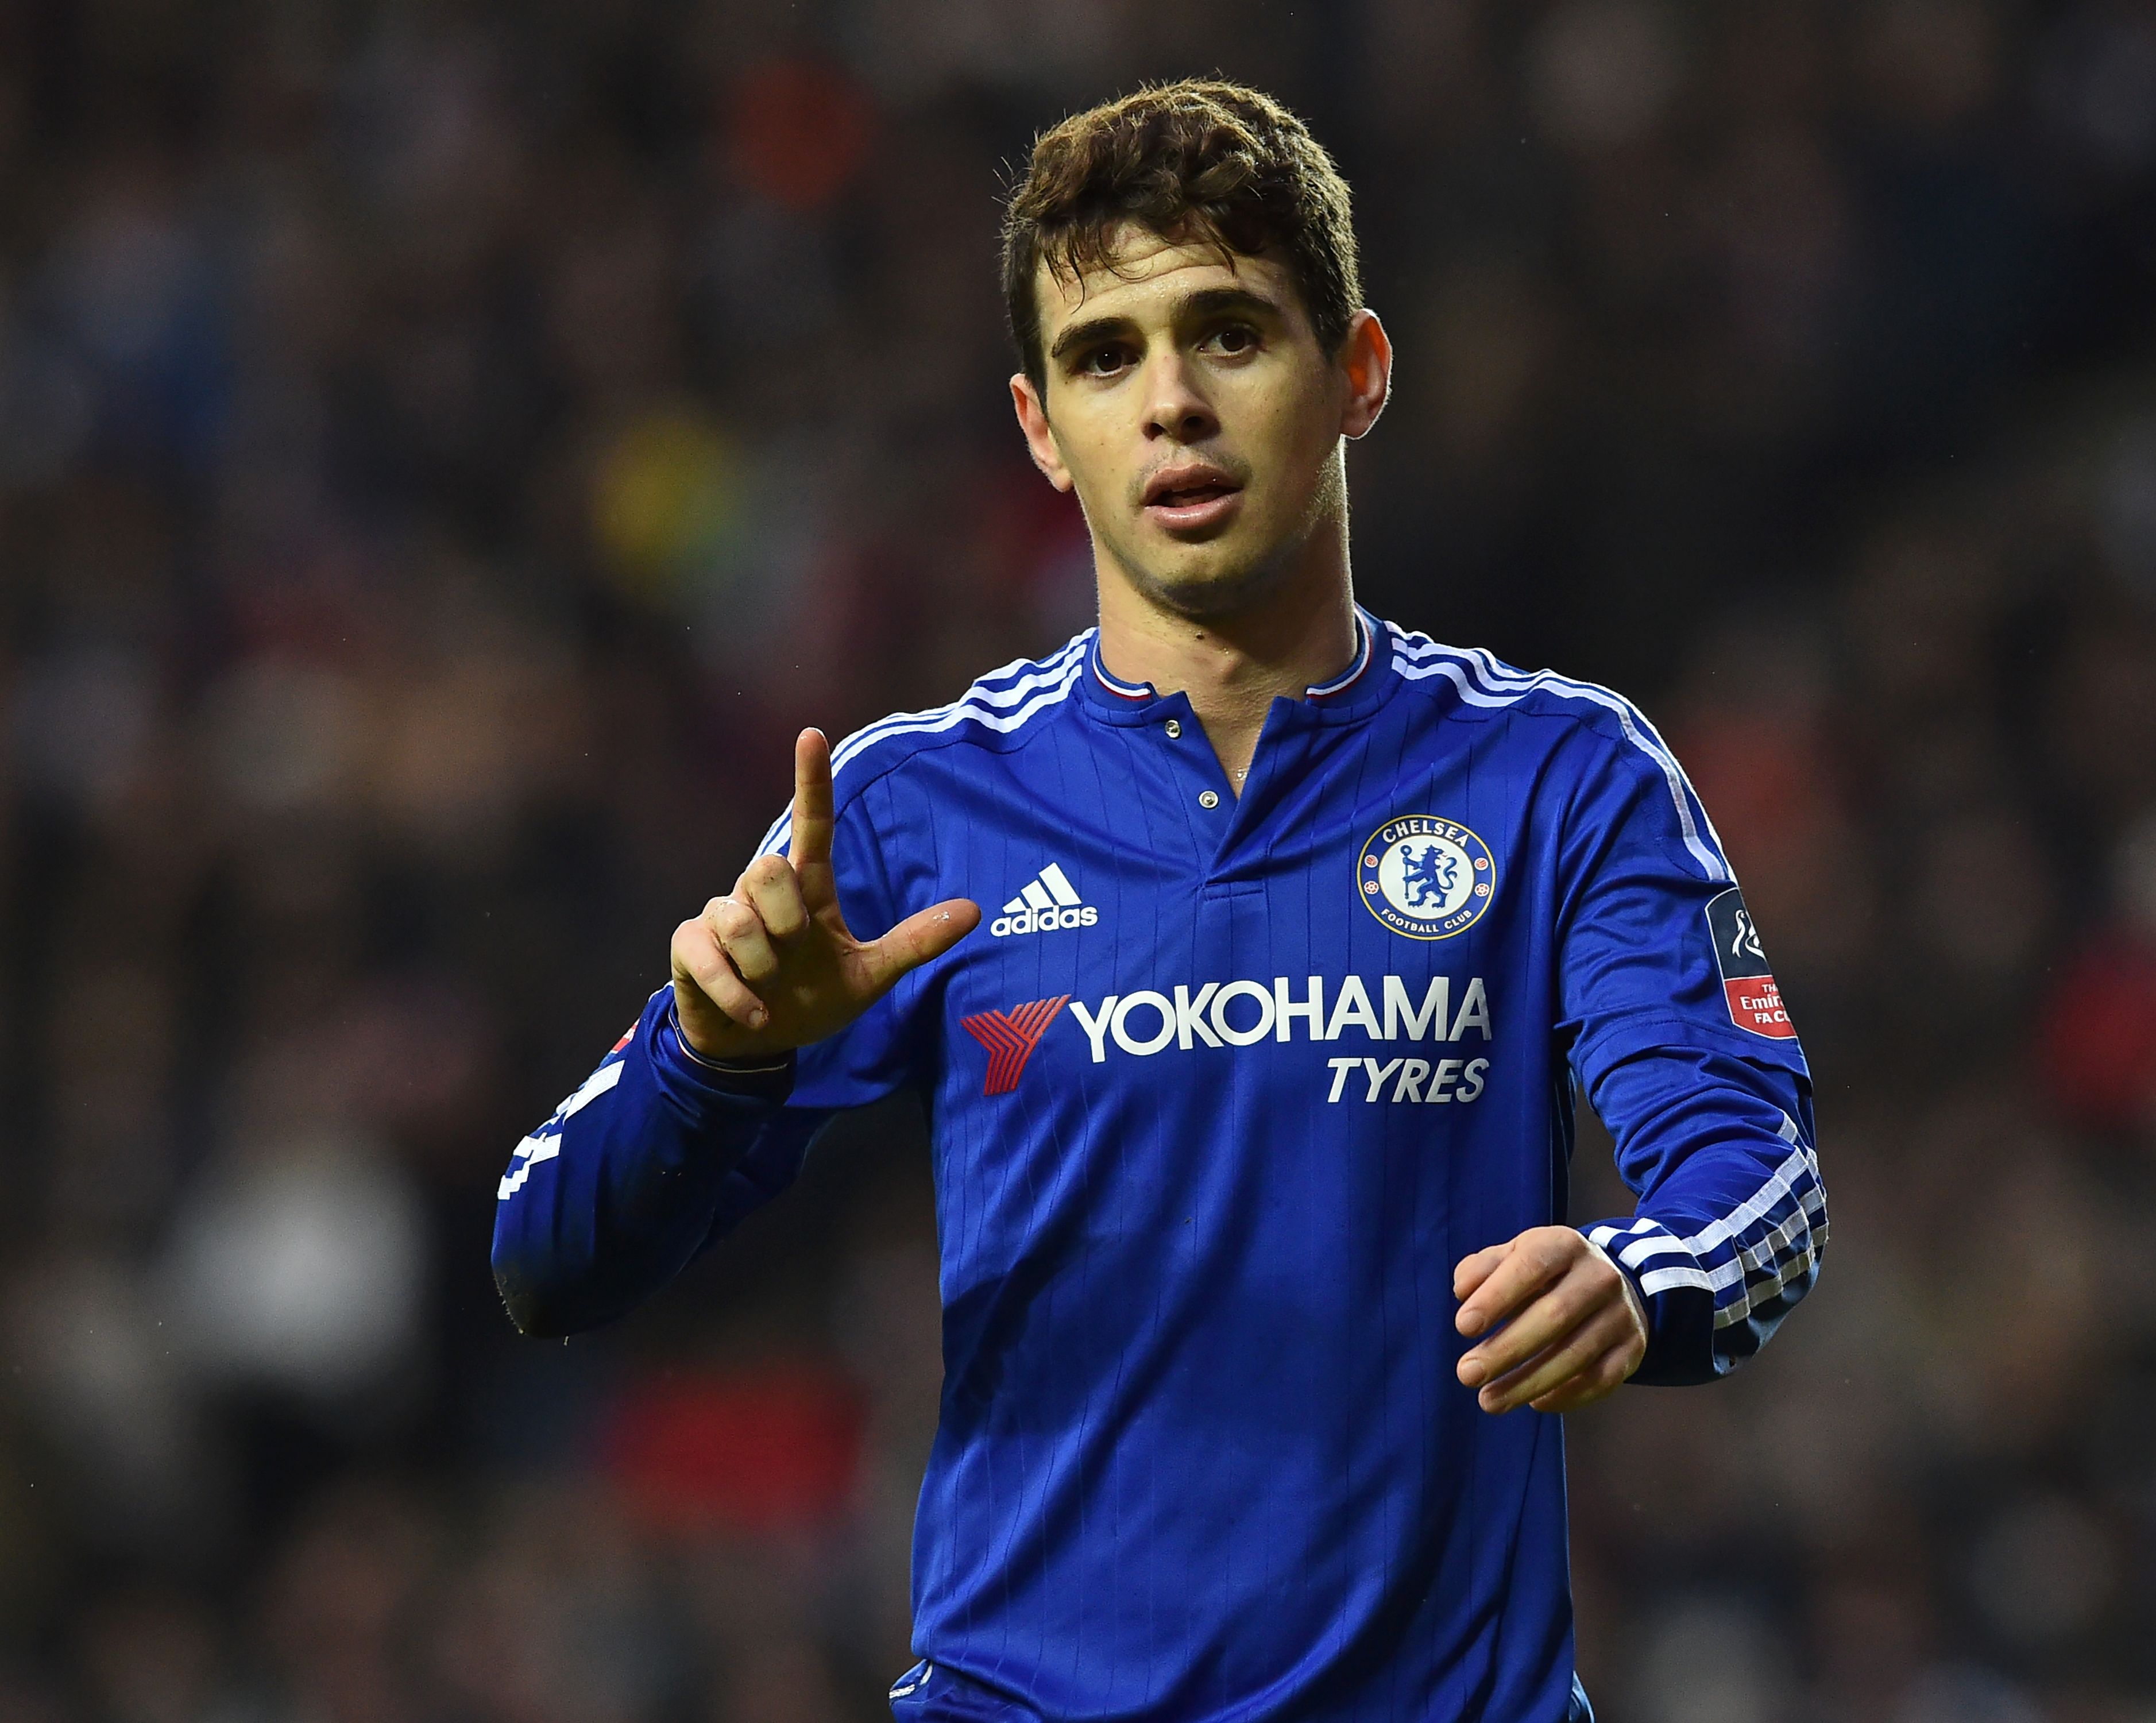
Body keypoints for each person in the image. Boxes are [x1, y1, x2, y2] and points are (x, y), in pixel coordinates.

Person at [490, 78, 1825, 1723]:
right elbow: (545, 1259)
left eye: (1231, 334)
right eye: (1105, 356)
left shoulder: (1560, 779)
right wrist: (718, 1056)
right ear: (1044, 429)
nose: (1172, 404)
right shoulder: (916, 812)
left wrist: (1643, 1282)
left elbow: (1757, 1185)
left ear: (1358, 373)